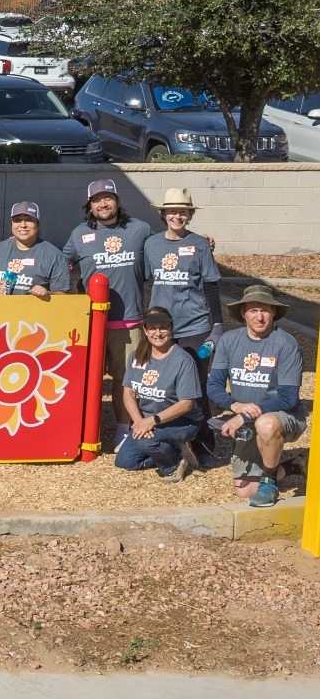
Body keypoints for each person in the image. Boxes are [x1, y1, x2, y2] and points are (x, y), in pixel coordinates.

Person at [208, 285, 306, 507]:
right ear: (243, 313)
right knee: (245, 491)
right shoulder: (229, 340)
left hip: (282, 416)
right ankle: (297, 464)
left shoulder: (286, 344)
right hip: (247, 418)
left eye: (265, 310)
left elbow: (288, 397)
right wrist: (234, 405)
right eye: (253, 310)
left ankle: (269, 483)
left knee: (265, 424)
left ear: (274, 312)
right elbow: (213, 386)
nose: (259, 317)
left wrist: (245, 416)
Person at [62, 178, 152, 394]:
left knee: (127, 382)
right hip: (92, 320)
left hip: (128, 320)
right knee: (88, 379)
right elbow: (60, 263)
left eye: (108, 198)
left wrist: (192, 241)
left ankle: (124, 418)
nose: (103, 204)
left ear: (118, 201)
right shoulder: (79, 233)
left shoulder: (140, 229)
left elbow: (164, 248)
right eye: (96, 200)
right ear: (90, 206)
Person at [114, 307, 203, 483]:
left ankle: (174, 464)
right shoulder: (137, 356)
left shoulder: (183, 360)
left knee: (146, 442)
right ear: (145, 330)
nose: (158, 333)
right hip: (149, 420)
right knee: (125, 462)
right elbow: (128, 392)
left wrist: (152, 422)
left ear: (171, 328)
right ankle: (173, 449)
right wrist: (139, 422)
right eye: (152, 328)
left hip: (182, 421)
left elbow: (187, 404)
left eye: (163, 327)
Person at [144, 188, 223, 361]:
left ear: (190, 215)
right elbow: (142, 278)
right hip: (160, 324)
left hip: (194, 325)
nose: (177, 217)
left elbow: (210, 285)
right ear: (164, 214)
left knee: (195, 371)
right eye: (172, 211)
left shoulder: (200, 244)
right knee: (164, 373)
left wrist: (218, 323)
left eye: (183, 212)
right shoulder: (151, 244)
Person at [0, 202, 72, 298]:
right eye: (17, 220)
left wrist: (48, 293)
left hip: (36, 308)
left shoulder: (54, 255)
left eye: (29, 220)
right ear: (11, 224)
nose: (23, 225)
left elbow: (63, 295)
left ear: (38, 224)